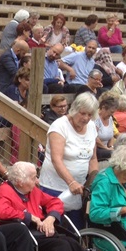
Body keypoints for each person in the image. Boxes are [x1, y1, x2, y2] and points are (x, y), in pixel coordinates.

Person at [38, 92, 98, 227]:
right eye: (83, 113)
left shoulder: (92, 126)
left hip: (80, 188)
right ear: (74, 109)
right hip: (55, 186)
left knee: (77, 228)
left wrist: (94, 181)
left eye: (89, 115)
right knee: (56, 226)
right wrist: (71, 182)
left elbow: (93, 158)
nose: (86, 118)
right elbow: (56, 159)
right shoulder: (59, 126)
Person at [94, 93, 118, 161]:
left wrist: (111, 146)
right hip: (97, 148)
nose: (112, 114)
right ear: (104, 108)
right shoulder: (96, 118)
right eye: (111, 112)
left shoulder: (110, 118)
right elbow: (94, 137)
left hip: (106, 148)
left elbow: (111, 135)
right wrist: (106, 148)